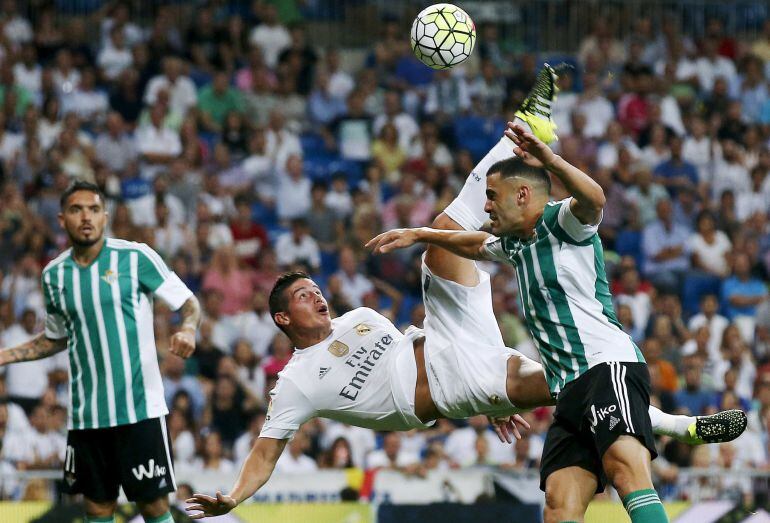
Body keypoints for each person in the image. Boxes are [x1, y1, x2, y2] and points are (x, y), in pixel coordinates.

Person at [185, 66, 745, 521]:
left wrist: (422, 235)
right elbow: (265, 452)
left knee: (441, 245)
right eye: (305, 297)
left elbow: (419, 331)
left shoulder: (358, 317)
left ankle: (523, 131)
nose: (320, 297)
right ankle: (677, 425)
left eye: (315, 288)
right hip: (459, 387)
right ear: (282, 319)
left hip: (456, 342)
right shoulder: (295, 384)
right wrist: (234, 497)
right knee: (566, 391)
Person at [0, 181, 201, 523]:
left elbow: (188, 303)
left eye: (94, 209)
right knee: (97, 508)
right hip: (87, 417)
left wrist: (188, 328)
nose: (86, 217)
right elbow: (54, 338)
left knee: (153, 506)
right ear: (62, 219)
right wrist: (4, 356)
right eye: (77, 210)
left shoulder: (135, 256)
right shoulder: (54, 276)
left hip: (139, 410)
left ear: (105, 216)